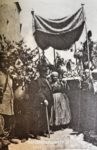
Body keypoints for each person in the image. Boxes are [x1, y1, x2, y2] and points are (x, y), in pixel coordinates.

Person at [29, 65, 54, 139]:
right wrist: (44, 99)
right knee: (42, 117)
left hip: (49, 100)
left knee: (47, 115)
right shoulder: (39, 80)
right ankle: (42, 131)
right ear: (40, 72)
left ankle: (46, 129)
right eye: (44, 71)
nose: (46, 73)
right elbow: (40, 91)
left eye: (46, 71)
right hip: (43, 101)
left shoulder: (46, 79)